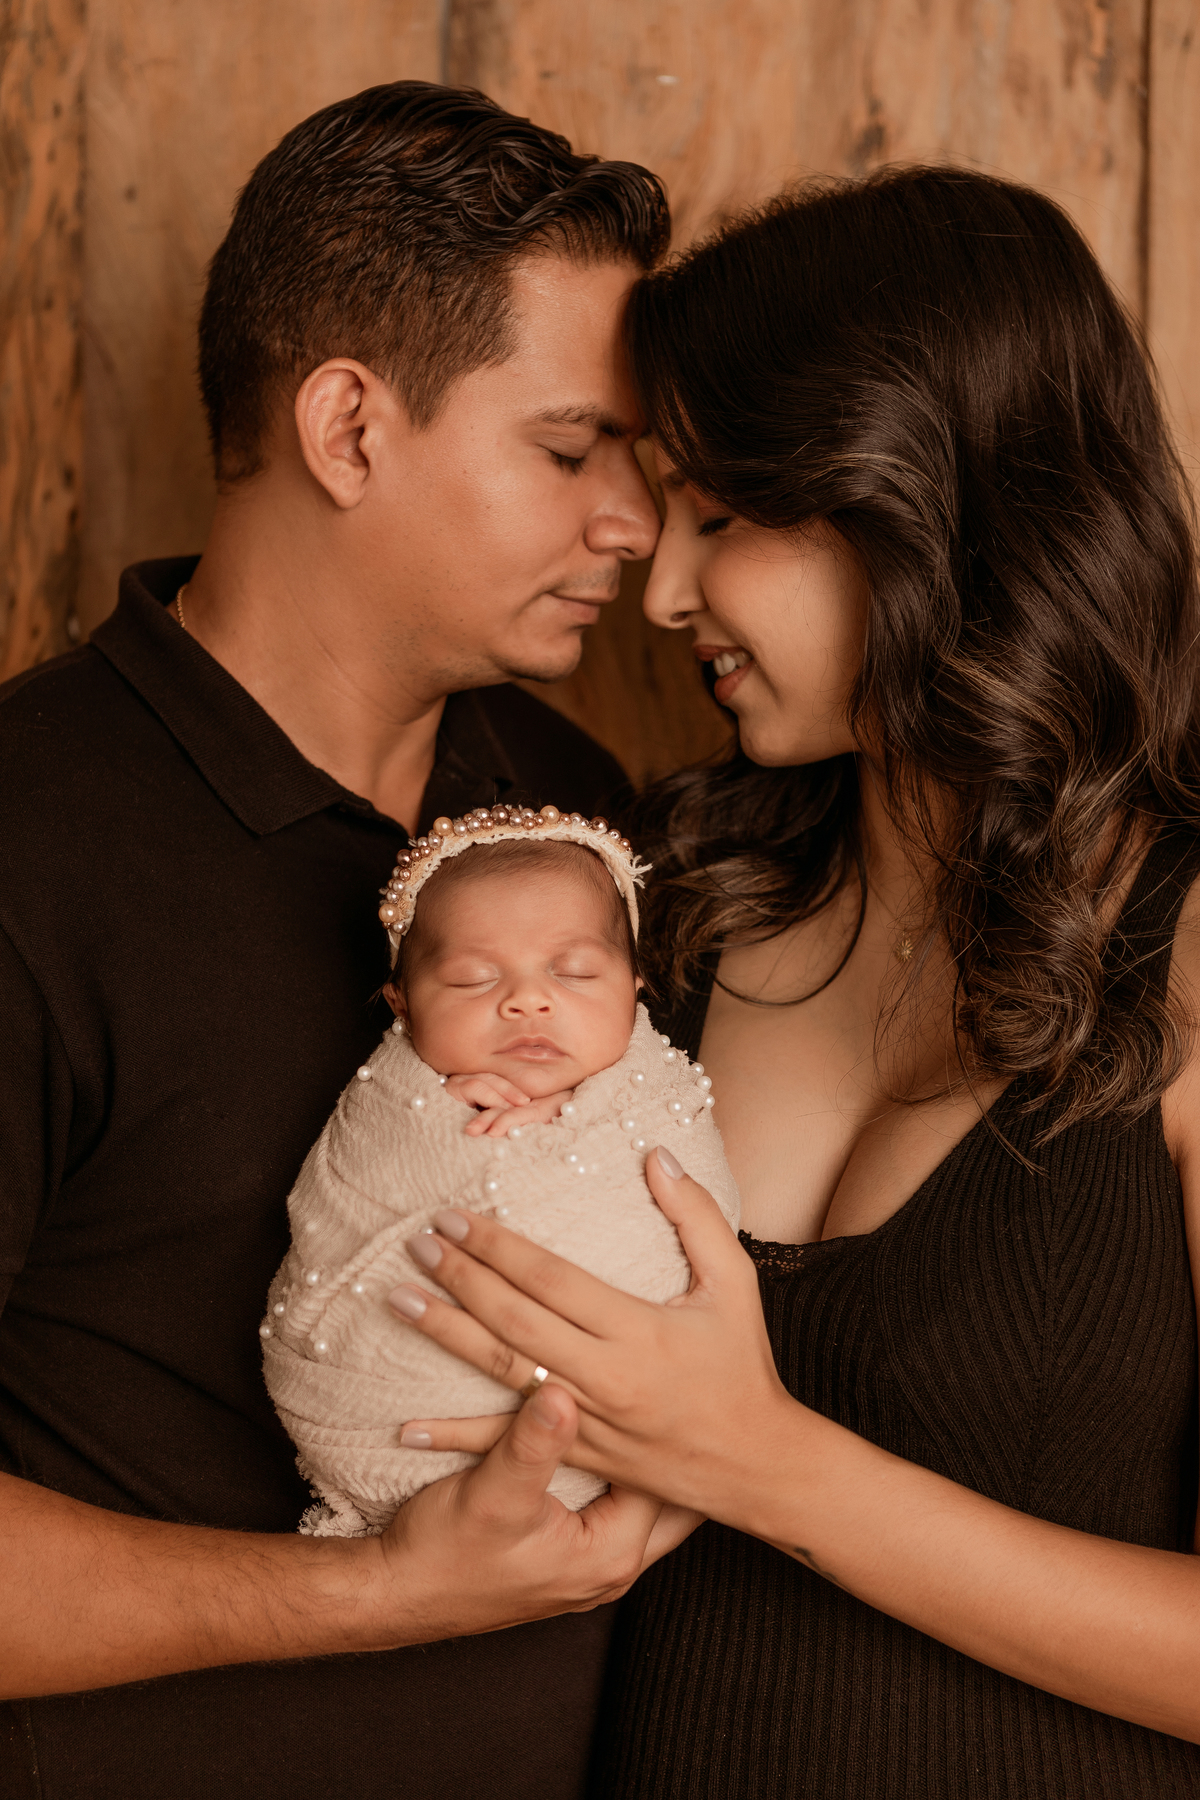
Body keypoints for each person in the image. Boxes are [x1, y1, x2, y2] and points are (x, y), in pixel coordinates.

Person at [383, 168, 1200, 1797]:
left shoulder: (1187, 943)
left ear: (921, 500)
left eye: (721, 517)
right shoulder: (671, 910)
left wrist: (767, 1466)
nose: (663, 591)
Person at [0, 81, 678, 1800]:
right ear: (350, 429)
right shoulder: (24, 836)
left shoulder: (574, 809)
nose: (632, 522)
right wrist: (371, 1592)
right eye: (570, 450)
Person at [263, 809, 737, 1535]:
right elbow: (345, 1203)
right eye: (472, 979)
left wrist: (575, 1119)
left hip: (641, 1438)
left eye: (575, 973)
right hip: (390, 1416)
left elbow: (700, 1215)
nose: (527, 999)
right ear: (402, 1006)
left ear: (636, 985)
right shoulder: (393, 1102)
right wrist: (440, 1117)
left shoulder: (655, 1097)